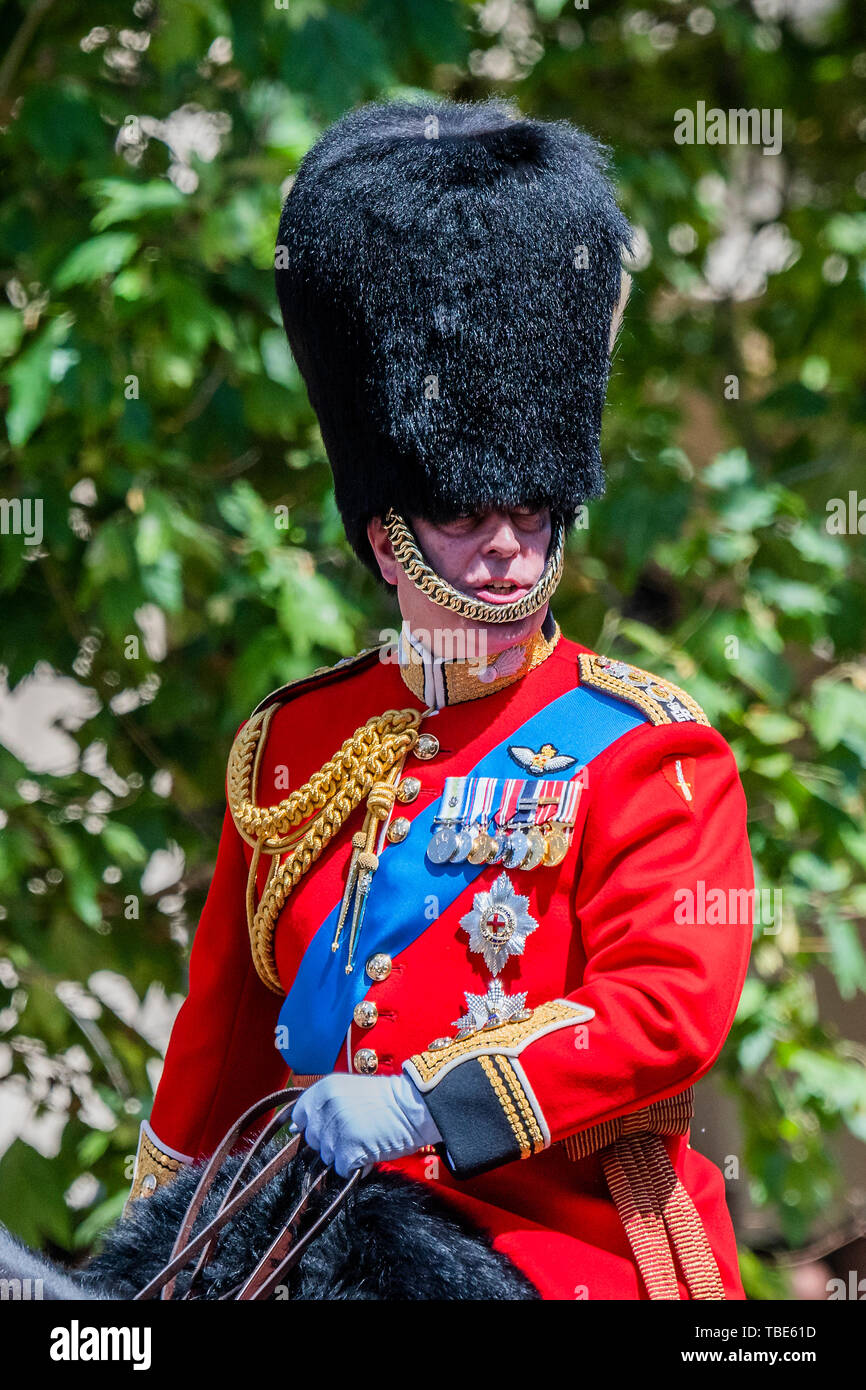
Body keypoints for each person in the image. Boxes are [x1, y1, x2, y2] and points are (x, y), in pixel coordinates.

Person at [126, 99, 753, 1301]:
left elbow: (661, 1010)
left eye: (532, 513)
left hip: (557, 1244)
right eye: (464, 515)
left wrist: (425, 1100)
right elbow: (216, 1052)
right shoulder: (294, 745)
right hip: (306, 1234)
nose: (509, 553)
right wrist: (151, 1261)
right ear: (385, 529)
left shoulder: (644, 750)